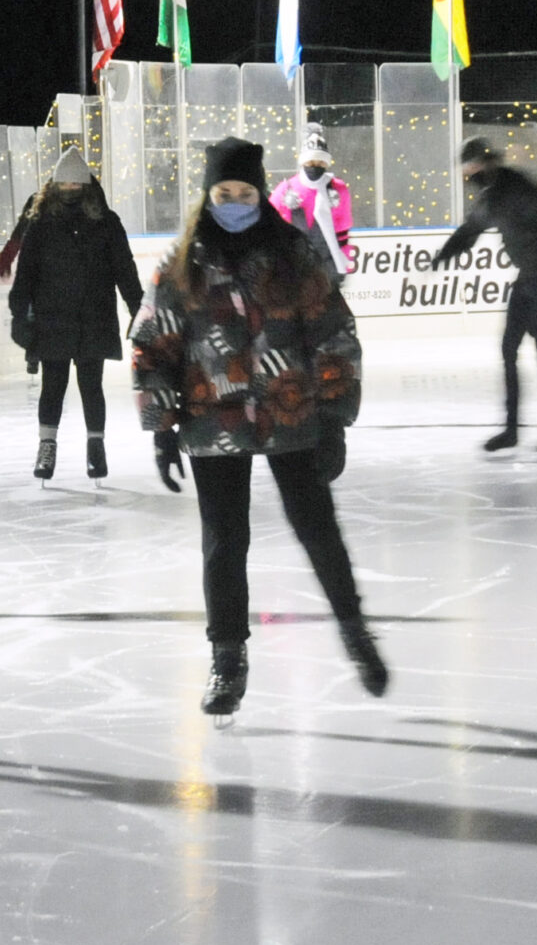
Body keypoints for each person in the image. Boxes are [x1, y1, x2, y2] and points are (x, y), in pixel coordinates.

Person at [132, 137, 386, 720]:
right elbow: (154, 343)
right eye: (224, 193)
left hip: (290, 413)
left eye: (245, 192)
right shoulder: (183, 261)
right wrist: (162, 425)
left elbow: (334, 335)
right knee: (224, 542)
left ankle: (355, 632)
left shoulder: (293, 254)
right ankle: (227, 659)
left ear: (261, 193)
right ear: (208, 195)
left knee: (317, 528)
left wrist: (333, 417)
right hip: (210, 418)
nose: (235, 202)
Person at [431, 137, 537, 455]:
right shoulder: (492, 193)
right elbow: (471, 230)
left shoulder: (514, 187)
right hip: (530, 276)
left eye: (472, 168)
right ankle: (511, 430)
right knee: (509, 347)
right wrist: (444, 255)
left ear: (486, 163)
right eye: (466, 170)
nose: (469, 176)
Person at [8, 147, 142, 484]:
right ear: (54, 185)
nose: (69, 189)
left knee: (90, 385)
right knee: (52, 385)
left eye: (75, 183)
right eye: (63, 183)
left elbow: (124, 269)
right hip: (52, 319)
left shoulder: (106, 223)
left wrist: (138, 308)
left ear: (86, 185)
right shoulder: (40, 224)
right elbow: (25, 273)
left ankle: (96, 447)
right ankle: (46, 446)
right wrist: (19, 314)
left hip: (93, 317)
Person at [270, 124, 355, 278]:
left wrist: (345, 256)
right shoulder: (286, 189)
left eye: (320, 163)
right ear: (303, 162)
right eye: (310, 163)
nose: (315, 166)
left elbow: (343, 225)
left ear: (326, 163)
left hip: (329, 264)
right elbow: (269, 220)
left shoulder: (337, 189)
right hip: (294, 265)